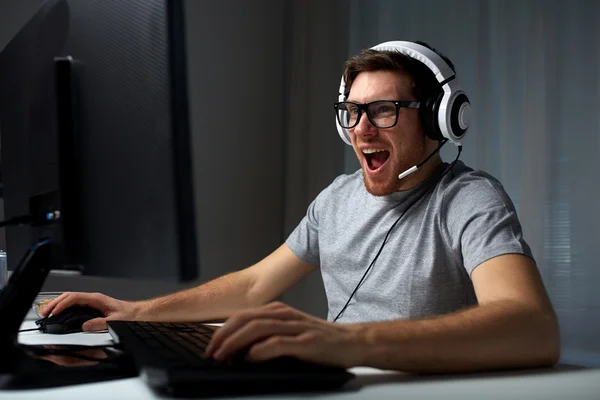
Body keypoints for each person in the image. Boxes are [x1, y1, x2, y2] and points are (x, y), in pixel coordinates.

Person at [42, 41, 560, 373]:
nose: (361, 129)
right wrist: (138, 314)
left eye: (383, 110)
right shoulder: (336, 198)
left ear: (438, 120)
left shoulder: (469, 198)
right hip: (338, 382)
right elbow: (252, 287)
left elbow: (530, 326)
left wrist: (348, 343)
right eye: (352, 113)